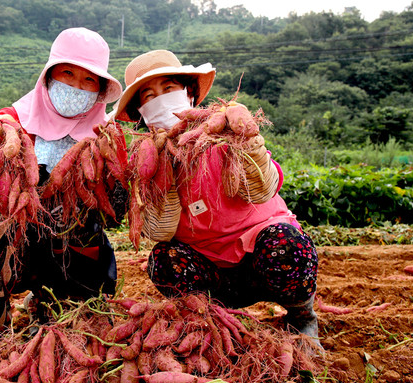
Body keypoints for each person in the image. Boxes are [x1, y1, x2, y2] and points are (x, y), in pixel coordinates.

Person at [114, 50, 320, 342]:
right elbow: (158, 231)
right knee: (163, 260)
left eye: (169, 88)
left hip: (262, 258)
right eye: (148, 96)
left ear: (188, 94)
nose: (160, 99)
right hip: (210, 274)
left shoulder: (223, 133)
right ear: (141, 113)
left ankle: (302, 316)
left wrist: (249, 142)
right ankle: (211, 322)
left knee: (286, 245)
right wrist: (162, 174)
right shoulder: (144, 163)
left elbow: (263, 190)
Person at [0, 27, 125, 374]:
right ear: (48, 77)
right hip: (20, 245)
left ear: (100, 90)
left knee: (68, 329)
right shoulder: (17, 119)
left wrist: (113, 177)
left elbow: (116, 215)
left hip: (76, 256)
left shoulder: (107, 134)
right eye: (67, 73)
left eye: (88, 80)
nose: (76, 86)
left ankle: (45, 308)